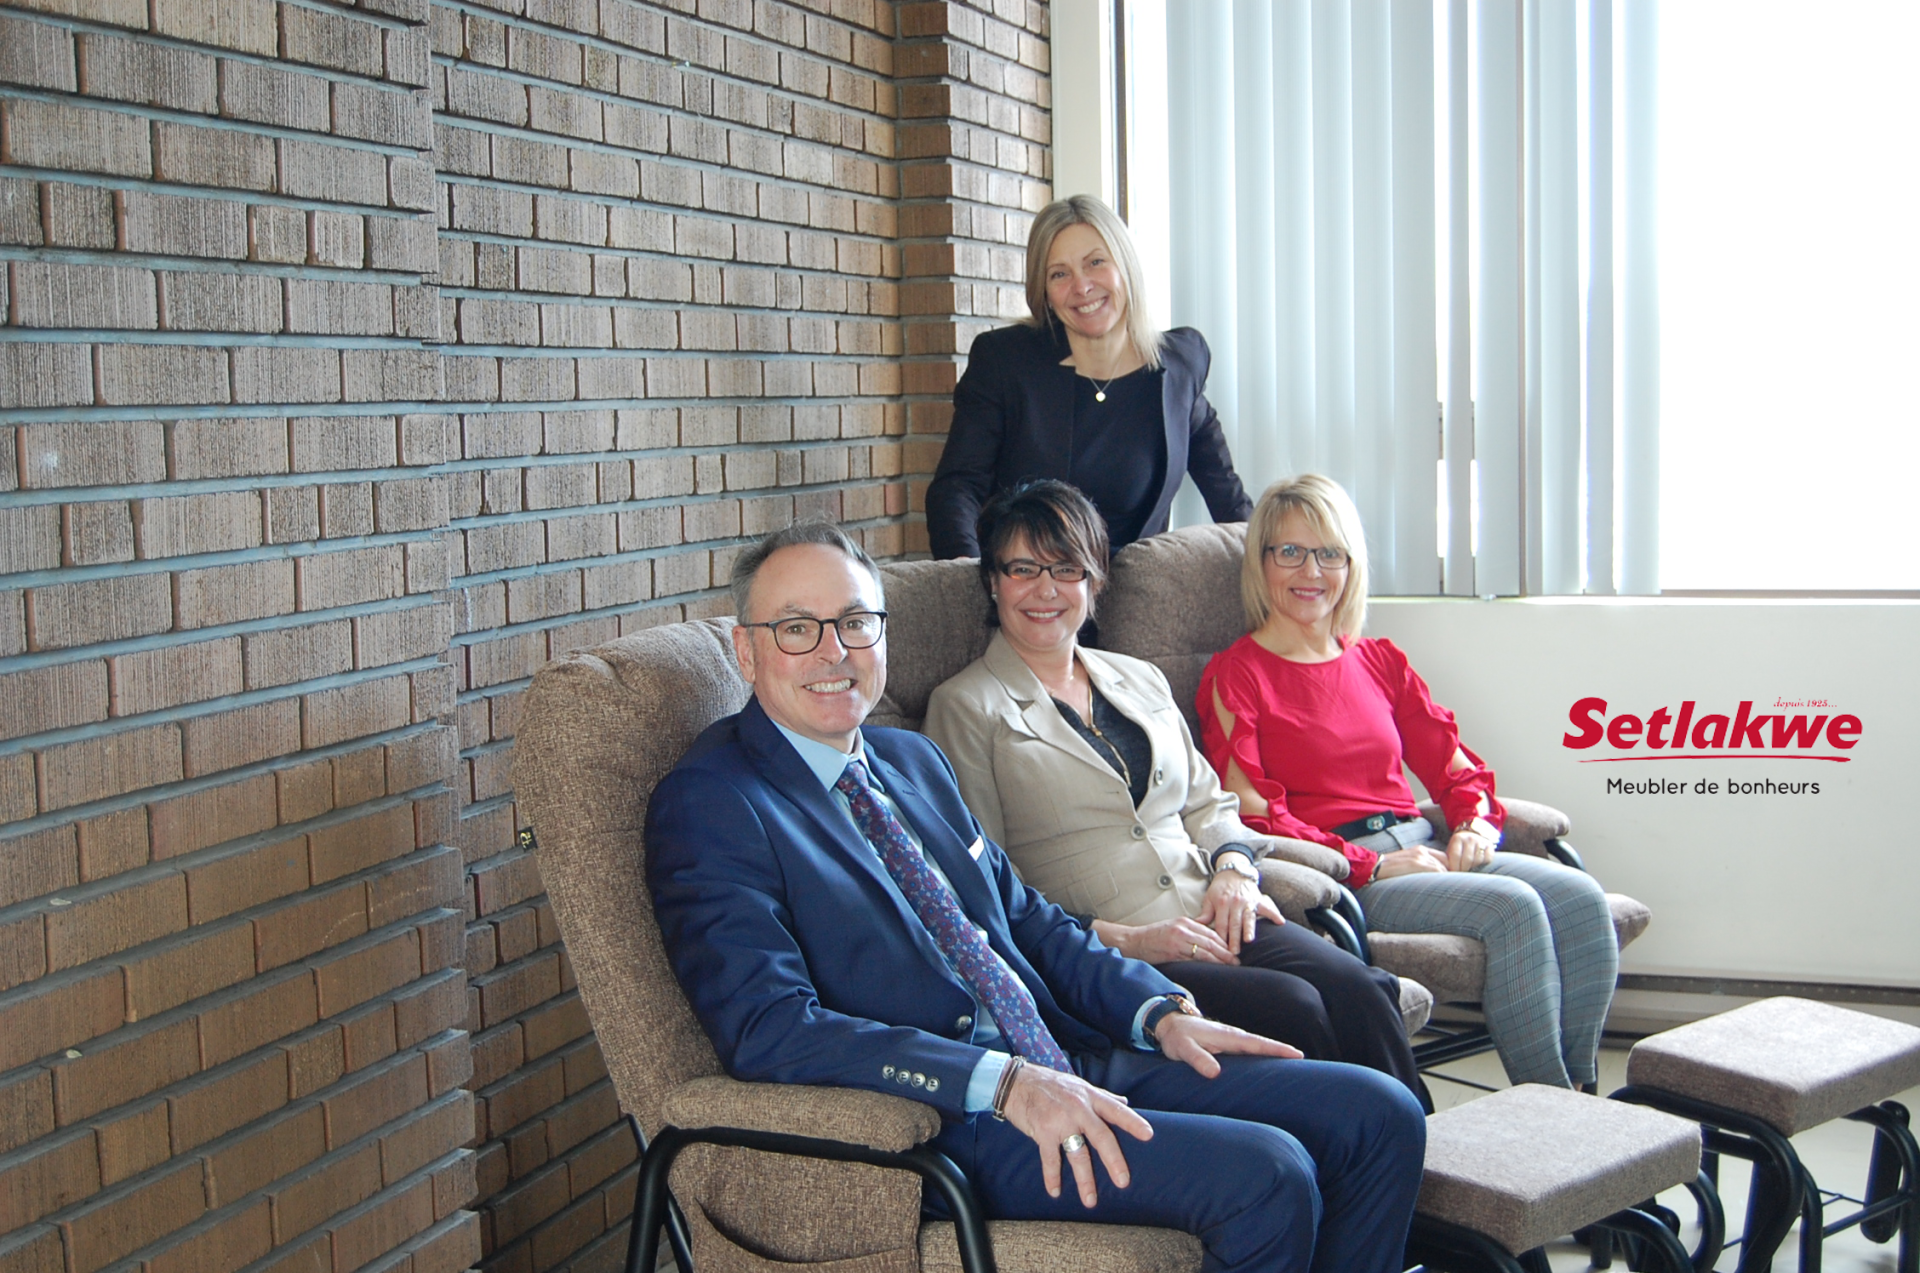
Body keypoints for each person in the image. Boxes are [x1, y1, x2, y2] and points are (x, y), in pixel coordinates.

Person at [647, 521, 1425, 1273]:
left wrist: (1157, 1010)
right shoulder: (715, 802)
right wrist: (1001, 1081)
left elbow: (1028, 919)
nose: (835, 651)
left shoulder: (909, 760)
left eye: (856, 622)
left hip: (1067, 1051)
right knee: (1269, 1174)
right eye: (797, 629)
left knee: (1378, 1113)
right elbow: (772, 1030)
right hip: (948, 1121)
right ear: (746, 650)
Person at [924, 480, 1427, 1106]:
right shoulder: (965, 707)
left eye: (1067, 568)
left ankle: (1419, 1155)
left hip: (1215, 911)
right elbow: (985, 887)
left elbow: (1210, 802)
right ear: (993, 582)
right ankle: (1353, 1148)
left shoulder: (1140, 678)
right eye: (1023, 569)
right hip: (1110, 951)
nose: (1046, 589)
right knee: (1293, 1007)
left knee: (1362, 988)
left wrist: (1234, 870)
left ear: (1095, 581)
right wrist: (1127, 939)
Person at [1198, 474, 1620, 1090]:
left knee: (1580, 897)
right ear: (1261, 563)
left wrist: (1474, 822)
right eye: (1289, 551)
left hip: (1425, 844)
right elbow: (1254, 813)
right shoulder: (1236, 675)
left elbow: (1456, 766)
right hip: (1350, 871)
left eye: (1330, 553)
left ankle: (1582, 1095)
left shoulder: (1380, 660)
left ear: (1351, 566)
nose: (1311, 571)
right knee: (1514, 908)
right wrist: (1370, 866)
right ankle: (1549, 1105)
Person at [924, 194, 1252, 560]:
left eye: (1095, 262)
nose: (1081, 287)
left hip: (1137, 585)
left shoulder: (1180, 364)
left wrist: (1271, 562)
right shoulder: (1005, 362)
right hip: (1031, 584)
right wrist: (971, 580)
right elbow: (957, 488)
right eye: (1059, 274)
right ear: (1044, 292)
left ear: (1125, 266)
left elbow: (1227, 495)